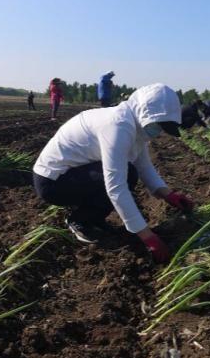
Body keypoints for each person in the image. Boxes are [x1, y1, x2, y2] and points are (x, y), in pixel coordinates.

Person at [33, 83, 195, 263]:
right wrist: (148, 236)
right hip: (53, 182)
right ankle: (79, 220)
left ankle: (93, 218)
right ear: (145, 113)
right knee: (126, 176)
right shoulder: (118, 125)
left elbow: (144, 166)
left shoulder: (135, 124)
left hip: (75, 175)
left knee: (130, 172)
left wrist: (168, 195)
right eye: (158, 125)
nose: (158, 131)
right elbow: (115, 186)